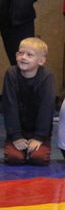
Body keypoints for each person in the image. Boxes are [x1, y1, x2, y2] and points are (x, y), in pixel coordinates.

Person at [2, 37, 54, 166]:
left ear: (41, 61)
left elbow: (47, 108)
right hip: (18, 129)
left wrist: (39, 137)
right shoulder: (11, 74)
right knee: (14, 158)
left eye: (29, 55)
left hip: (39, 130)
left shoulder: (47, 77)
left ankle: (37, 144)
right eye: (20, 53)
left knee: (39, 158)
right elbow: (10, 106)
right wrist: (15, 136)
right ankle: (17, 144)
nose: (23, 57)